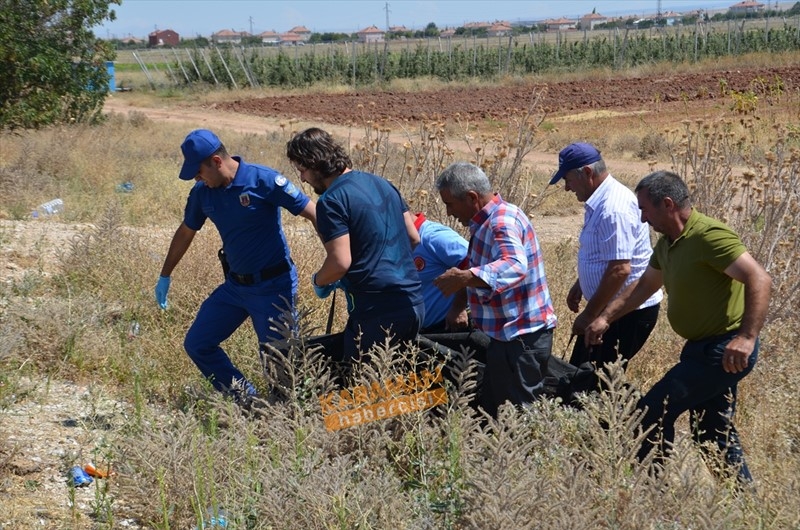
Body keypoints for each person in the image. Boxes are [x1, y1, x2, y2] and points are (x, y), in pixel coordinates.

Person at [586, 170, 771, 484]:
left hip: (723, 349)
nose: (643, 219)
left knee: (652, 410)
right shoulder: (668, 243)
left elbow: (759, 279)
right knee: (711, 432)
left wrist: (747, 337)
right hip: (700, 349)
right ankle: (741, 501)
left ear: (667, 204)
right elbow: (645, 284)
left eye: (645, 209)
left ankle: (651, 489)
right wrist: (606, 317)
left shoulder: (709, 236)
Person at [154, 129, 317, 400]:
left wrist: (339, 260)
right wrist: (165, 274)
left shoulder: (264, 180)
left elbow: (314, 213)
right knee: (198, 344)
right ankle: (247, 402)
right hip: (235, 288)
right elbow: (185, 232)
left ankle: (292, 416)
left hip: (274, 287)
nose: (197, 178)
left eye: (199, 172)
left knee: (281, 362)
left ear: (216, 161)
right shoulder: (202, 194)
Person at [286, 127, 424, 365]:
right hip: (413, 304)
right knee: (401, 387)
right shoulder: (382, 183)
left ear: (314, 162)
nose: (302, 179)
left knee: (363, 391)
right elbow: (413, 237)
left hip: (375, 311)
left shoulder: (331, 201)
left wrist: (319, 281)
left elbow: (339, 262)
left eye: (302, 170)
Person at [432, 162, 558, 418]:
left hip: (522, 337)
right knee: (499, 406)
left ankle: (528, 457)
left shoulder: (501, 222)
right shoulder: (489, 220)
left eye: (450, 204)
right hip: (507, 335)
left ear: (471, 197)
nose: (448, 213)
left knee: (522, 413)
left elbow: (514, 264)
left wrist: (466, 277)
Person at [549, 142, 662, 381]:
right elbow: (607, 254)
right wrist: (582, 283)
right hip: (608, 307)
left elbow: (621, 269)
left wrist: (589, 315)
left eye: (568, 180)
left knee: (595, 382)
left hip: (626, 311)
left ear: (588, 173)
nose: (567, 188)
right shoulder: (598, 201)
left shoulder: (613, 208)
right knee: (584, 377)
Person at [412, 212, 470, 333]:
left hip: (449, 330)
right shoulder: (396, 242)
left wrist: (458, 307)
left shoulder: (433, 236)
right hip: (421, 334)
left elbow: (474, 262)